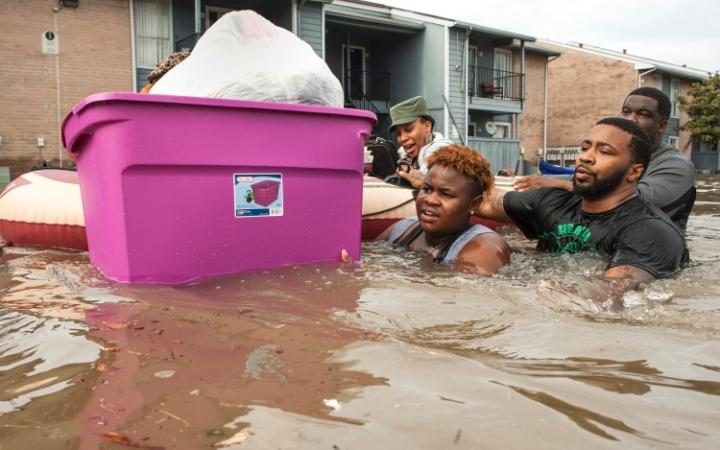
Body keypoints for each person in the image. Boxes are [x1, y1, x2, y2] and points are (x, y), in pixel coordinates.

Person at [476, 117, 687, 306]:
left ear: (634, 172)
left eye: (604, 151)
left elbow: (611, 292)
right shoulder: (552, 201)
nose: (586, 157)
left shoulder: (651, 231)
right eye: (585, 148)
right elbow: (484, 203)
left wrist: (541, 293)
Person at [514, 87, 696, 231]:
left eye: (643, 114)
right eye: (626, 112)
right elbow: (577, 180)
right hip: (604, 237)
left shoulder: (677, 166)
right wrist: (525, 181)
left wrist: (557, 185)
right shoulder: (616, 158)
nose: (631, 119)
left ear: (662, 126)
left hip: (650, 252)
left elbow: (635, 199)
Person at [376, 145, 511, 275]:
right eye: (427, 189)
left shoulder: (485, 247)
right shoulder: (403, 229)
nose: (430, 200)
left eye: (446, 194)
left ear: (473, 205)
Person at [388, 96, 453, 189]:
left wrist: (423, 181)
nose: (402, 139)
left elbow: (432, 174)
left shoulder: (441, 149)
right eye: (398, 133)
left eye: (408, 129)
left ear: (427, 127)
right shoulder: (403, 153)